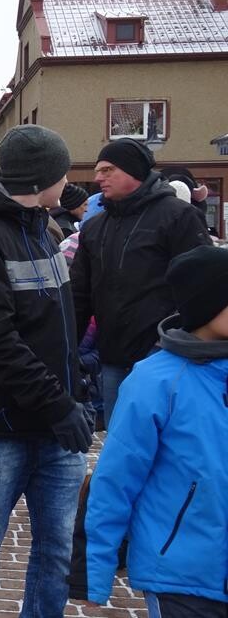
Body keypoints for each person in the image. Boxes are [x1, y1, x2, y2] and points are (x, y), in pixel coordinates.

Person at [0, 125, 93, 617]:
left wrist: (79, 386)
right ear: (41, 178)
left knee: (54, 554)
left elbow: (59, 326)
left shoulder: (43, 231)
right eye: (62, 171)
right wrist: (60, 403)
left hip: (55, 426)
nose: (69, 180)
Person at [83, 246, 228, 616]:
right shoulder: (156, 380)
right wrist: (96, 569)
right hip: (182, 574)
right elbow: (116, 478)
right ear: (208, 305)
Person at [71, 138, 212, 425]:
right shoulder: (95, 228)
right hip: (112, 358)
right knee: (121, 441)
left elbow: (205, 287)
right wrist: (67, 348)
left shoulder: (178, 216)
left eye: (108, 170)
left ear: (133, 171)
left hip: (166, 356)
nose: (98, 178)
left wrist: (187, 345)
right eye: (99, 170)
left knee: (166, 443)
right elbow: (78, 296)